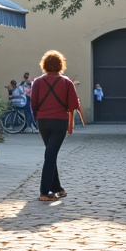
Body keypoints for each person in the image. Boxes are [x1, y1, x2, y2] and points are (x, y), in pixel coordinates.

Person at [30, 50, 81, 201]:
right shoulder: (66, 82)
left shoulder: (38, 82)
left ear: (44, 65)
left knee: (50, 154)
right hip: (60, 121)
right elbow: (73, 105)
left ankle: (57, 188)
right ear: (60, 65)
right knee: (51, 155)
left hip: (43, 121)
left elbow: (33, 104)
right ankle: (44, 192)